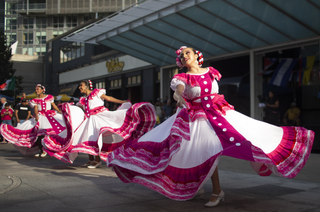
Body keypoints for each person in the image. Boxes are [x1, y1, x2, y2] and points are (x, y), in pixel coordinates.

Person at [106, 46, 315, 207]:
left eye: (188, 52)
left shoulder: (211, 72)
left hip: (219, 112)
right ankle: (215, 190)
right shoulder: (181, 77)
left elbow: (213, 93)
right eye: (182, 55)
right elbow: (178, 91)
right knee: (201, 150)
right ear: (181, 61)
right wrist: (179, 97)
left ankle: (213, 189)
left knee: (250, 135)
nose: (185, 56)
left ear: (197, 55)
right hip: (194, 117)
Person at [42, 79, 156, 167]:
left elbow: (109, 98)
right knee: (85, 139)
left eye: (81, 85)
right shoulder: (83, 99)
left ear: (87, 86)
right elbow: (78, 109)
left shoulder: (97, 93)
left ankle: (97, 161)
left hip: (100, 117)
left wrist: (123, 101)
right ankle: (91, 160)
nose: (80, 87)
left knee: (95, 138)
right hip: (89, 120)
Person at [0, 84, 83, 157]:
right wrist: (36, 116)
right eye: (36, 89)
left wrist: (61, 112)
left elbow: (54, 105)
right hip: (40, 116)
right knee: (38, 134)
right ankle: (41, 150)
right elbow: (36, 108)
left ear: (42, 90)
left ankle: (51, 148)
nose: (36, 91)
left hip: (50, 116)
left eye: (38, 89)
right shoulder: (34, 100)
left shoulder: (49, 97)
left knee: (53, 131)